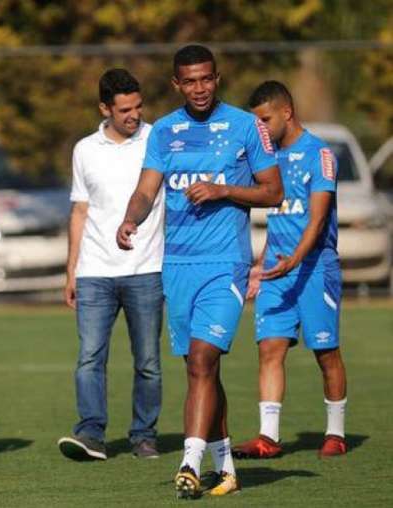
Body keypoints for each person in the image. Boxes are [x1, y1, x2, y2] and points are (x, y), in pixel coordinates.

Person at [115, 45, 283, 499]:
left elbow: (273, 192)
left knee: (204, 361)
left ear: (217, 78)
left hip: (225, 263)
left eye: (206, 79)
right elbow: (147, 189)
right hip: (178, 266)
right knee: (199, 368)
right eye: (189, 81)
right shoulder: (165, 132)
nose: (199, 88)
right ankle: (225, 467)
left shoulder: (247, 127)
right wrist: (132, 218)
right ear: (176, 84)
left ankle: (189, 463)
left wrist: (223, 189)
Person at [232, 80, 347, 459]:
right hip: (277, 272)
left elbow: (315, 220)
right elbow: (281, 219)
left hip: (314, 269)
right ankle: (268, 437)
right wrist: (262, 262)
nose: (260, 129)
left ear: (287, 112)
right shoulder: (267, 161)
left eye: (265, 120)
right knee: (270, 348)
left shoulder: (320, 154)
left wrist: (294, 260)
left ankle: (335, 432)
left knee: (326, 352)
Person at [57, 69, 165, 461]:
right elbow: (80, 210)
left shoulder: (158, 139)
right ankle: (90, 434)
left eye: (138, 107)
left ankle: (144, 436)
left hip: (146, 269)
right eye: (124, 109)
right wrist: (71, 270)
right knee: (89, 357)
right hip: (94, 272)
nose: (133, 115)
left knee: (149, 361)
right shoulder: (85, 149)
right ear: (105, 108)